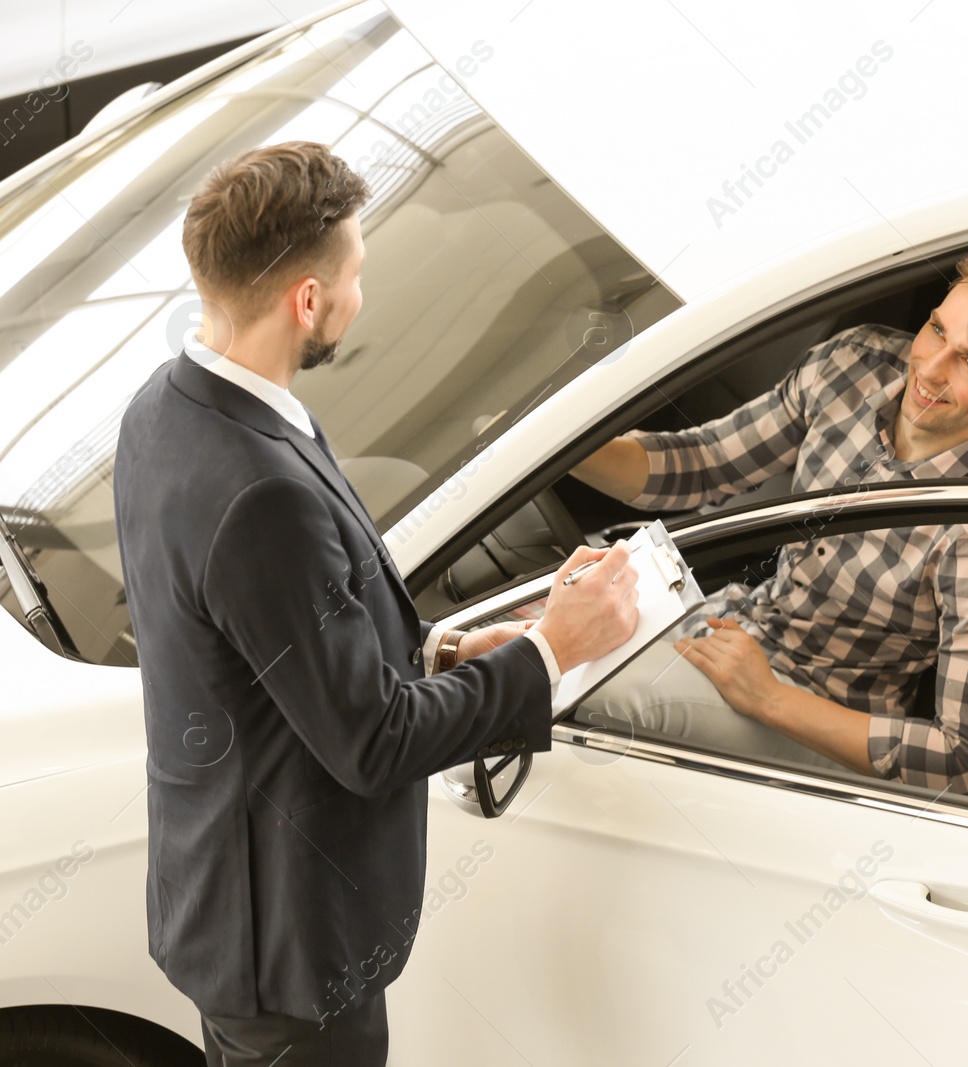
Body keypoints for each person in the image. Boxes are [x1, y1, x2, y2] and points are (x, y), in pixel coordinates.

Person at [112, 142, 639, 1067]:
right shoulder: (262, 491)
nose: (361, 291)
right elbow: (372, 744)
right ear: (307, 300)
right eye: (355, 272)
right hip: (291, 951)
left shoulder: (165, 410)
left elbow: (264, 647)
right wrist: (552, 649)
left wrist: (442, 652)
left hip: (232, 912)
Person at [571, 247, 968, 796]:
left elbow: (967, 760)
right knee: (544, 636)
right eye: (937, 331)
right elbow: (700, 466)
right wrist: (550, 445)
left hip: (817, 718)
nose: (931, 369)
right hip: (729, 628)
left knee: (595, 697)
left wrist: (768, 696)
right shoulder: (853, 364)